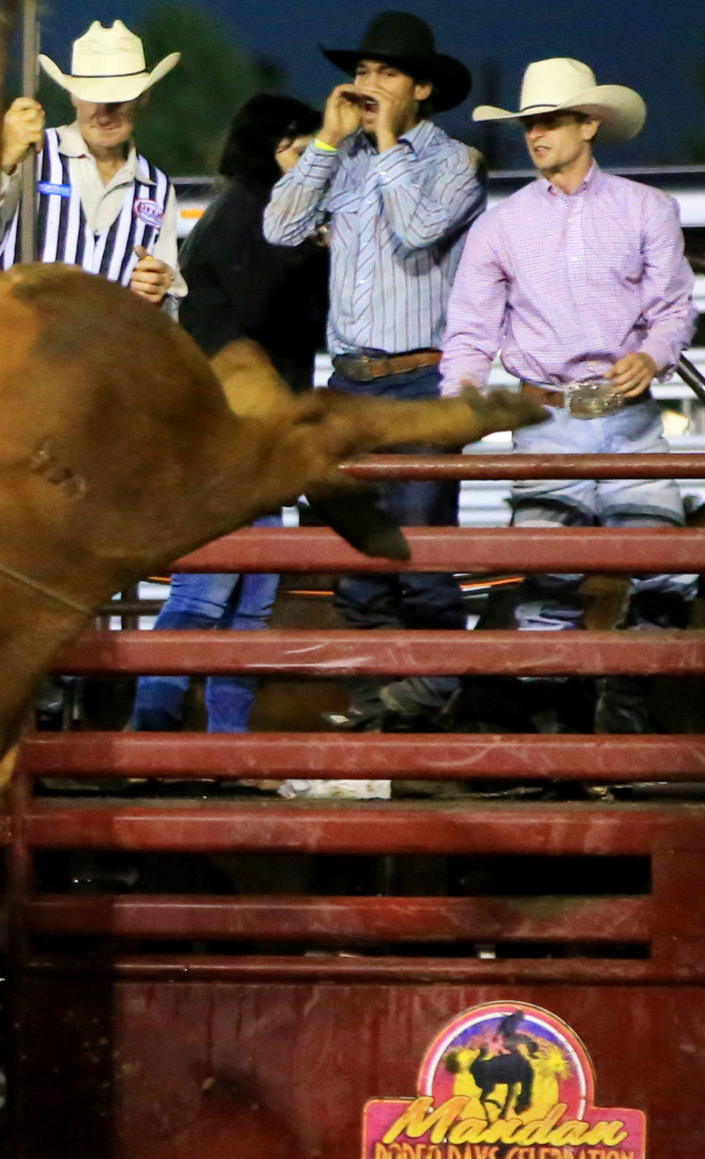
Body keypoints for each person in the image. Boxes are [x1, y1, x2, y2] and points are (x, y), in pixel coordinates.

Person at [439, 58, 696, 733]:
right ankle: (561, 731)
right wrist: (457, 403)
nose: (536, 133)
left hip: (628, 417)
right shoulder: (500, 226)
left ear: (589, 124)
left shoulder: (648, 209)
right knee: (545, 583)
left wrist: (653, 354)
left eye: (550, 120)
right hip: (550, 419)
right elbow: (470, 331)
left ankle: (623, 696)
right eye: (530, 123)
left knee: (669, 573)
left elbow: (673, 311)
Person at [265, 10, 485, 730]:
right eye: (361, 73)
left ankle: (435, 702)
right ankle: (372, 711)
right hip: (349, 379)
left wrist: (385, 139)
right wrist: (327, 141)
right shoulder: (343, 158)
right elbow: (280, 228)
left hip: (419, 379)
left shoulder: (454, 161)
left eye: (384, 74)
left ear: (421, 87)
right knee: (357, 564)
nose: (366, 85)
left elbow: (421, 229)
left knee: (421, 554)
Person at [128, 92, 326, 735]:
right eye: (300, 146)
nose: (310, 160)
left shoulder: (239, 217)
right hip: (236, 437)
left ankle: (205, 739)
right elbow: (281, 316)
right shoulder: (252, 221)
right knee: (214, 596)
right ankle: (165, 729)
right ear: (276, 149)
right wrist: (326, 260)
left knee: (237, 597)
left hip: (243, 433)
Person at [0, 20, 184, 306]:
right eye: (95, 100)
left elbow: (170, 295)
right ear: (74, 96)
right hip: (17, 343)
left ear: (143, 98)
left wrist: (159, 288)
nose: (104, 114)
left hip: (106, 347)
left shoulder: (158, 189)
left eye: (118, 100)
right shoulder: (29, 154)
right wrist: (1, 162)